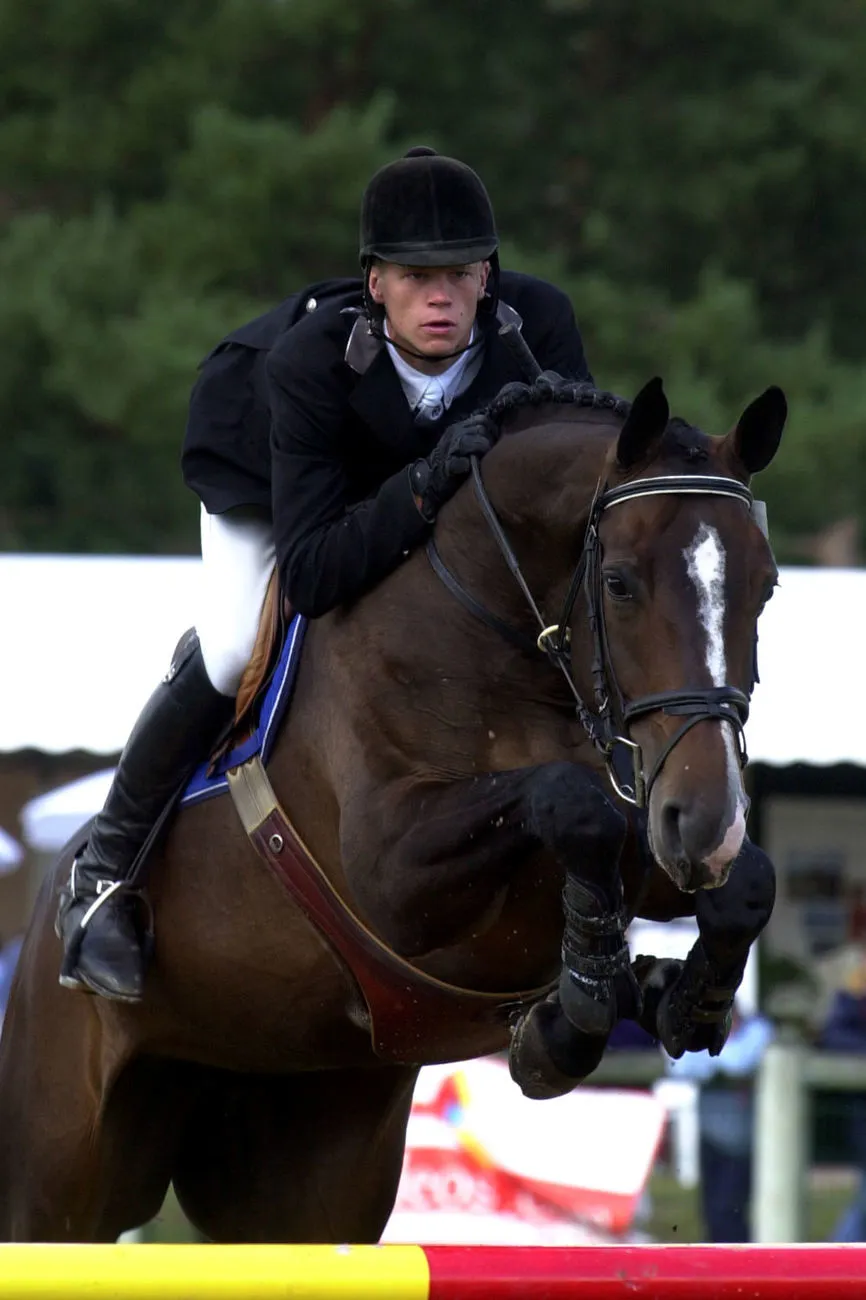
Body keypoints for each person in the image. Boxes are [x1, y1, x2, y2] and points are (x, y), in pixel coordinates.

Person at [55, 145, 593, 1003]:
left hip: (408, 494)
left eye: (459, 273)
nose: (440, 296)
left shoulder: (539, 332)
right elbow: (311, 574)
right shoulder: (308, 360)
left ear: (489, 276)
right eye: (416, 277)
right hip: (270, 482)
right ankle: (103, 874)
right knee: (236, 649)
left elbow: (566, 505)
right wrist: (425, 484)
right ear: (375, 282)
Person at [663, 1001, 774, 1243]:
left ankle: (741, 1271)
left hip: (742, 1142)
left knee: (729, 1212)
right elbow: (679, 1066)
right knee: (711, 1213)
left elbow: (739, 1063)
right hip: (711, 1137)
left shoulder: (758, 1029)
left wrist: (708, 1056)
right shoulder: (702, 1032)